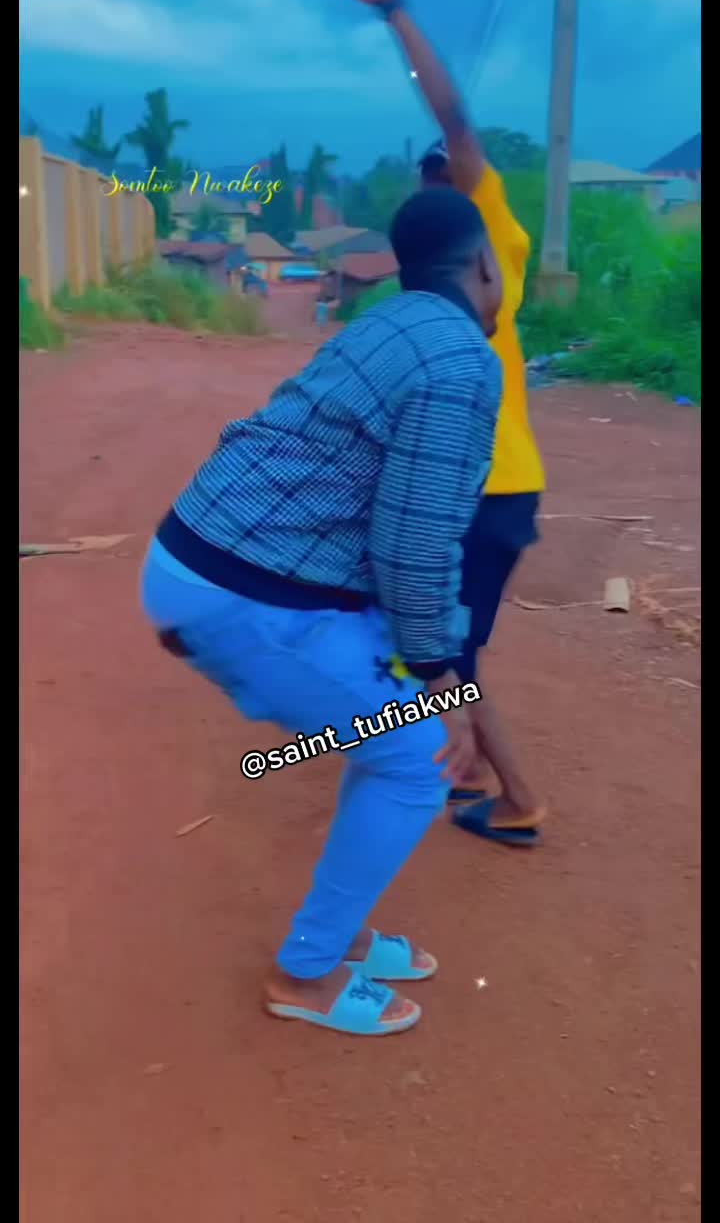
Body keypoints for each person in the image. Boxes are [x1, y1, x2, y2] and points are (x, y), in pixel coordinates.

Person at [141, 187, 503, 1037]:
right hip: (243, 588)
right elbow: (414, 541)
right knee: (420, 757)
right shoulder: (459, 361)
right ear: (485, 266)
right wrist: (445, 678)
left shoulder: (385, 325)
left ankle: (336, 937)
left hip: (205, 559)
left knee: (391, 736)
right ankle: (303, 976)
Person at [327, 0, 547, 844]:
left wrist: (394, 12)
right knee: (445, 642)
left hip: (485, 486)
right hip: (488, 485)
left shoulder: (486, 232)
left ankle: (518, 797)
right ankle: (469, 767)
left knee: (443, 649)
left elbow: (454, 120)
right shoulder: (438, 289)